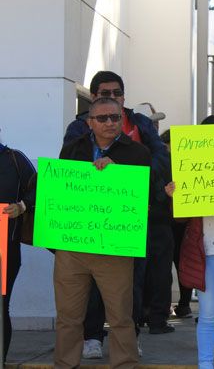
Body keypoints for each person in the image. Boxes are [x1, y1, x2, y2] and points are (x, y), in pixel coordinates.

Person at [64, 70, 172, 360]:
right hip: (85, 226)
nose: (109, 116)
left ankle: (128, 340)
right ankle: (92, 337)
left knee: (131, 287)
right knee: (88, 292)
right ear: (92, 112)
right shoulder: (76, 134)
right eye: (103, 95)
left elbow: (155, 162)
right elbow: (65, 179)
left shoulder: (141, 129)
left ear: (123, 98)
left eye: (115, 95)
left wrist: (154, 194)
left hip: (126, 225)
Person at [54, 97, 151, 369]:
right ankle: (65, 364)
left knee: (121, 316)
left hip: (115, 248)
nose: (110, 122)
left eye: (115, 117)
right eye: (103, 118)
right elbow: (61, 194)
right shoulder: (72, 150)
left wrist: (116, 173)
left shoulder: (137, 154)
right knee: (68, 316)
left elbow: (147, 201)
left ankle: (125, 364)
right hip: (73, 247)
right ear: (89, 123)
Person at [0, 137, 36, 362]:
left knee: (1, 306)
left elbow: (39, 188)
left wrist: (22, 206)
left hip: (6, 249)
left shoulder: (15, 159)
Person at [160, 129, 194, 319]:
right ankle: (183, 304)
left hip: (175, 220)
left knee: (173, 264)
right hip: (173, 219)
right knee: (179, 264)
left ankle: (181, 304)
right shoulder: (185, 160)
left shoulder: (160, 159)